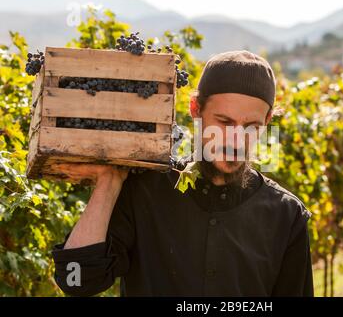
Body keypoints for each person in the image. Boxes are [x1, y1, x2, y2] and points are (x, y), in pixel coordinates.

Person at [51, 50, 314, 296]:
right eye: (224, 122)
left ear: (267, 122)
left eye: (251, 126)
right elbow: (77, 281)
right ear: (195, 110)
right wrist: (109, 181)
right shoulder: (144, 189)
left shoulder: (287, 216)